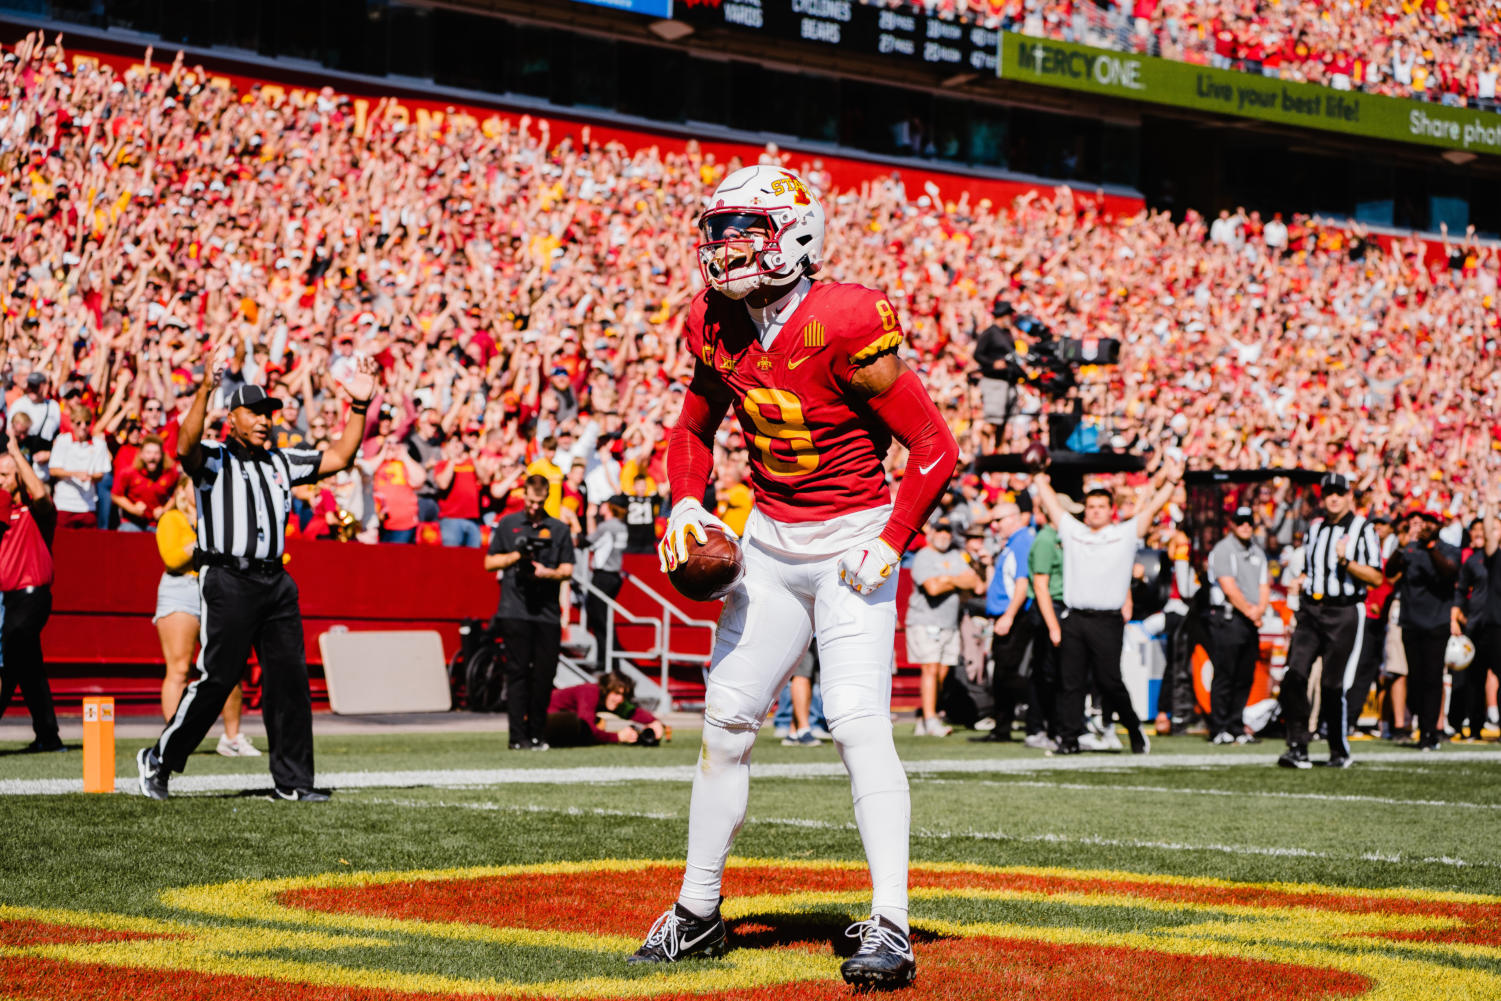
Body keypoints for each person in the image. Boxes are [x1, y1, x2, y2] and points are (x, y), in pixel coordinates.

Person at [634, 165, 958, 989]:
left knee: (856, 723)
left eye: (744, 228)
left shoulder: (846, 317)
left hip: (851, 541)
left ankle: (889, 922)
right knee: (726, 722)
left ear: (796, 235)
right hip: (771, 543)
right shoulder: (710, 319)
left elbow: (932, 445)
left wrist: (891, 536)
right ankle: (697, 910)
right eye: (717, 229)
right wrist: (681, 502)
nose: (724, 246)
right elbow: (691, 426)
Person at [136, 349, 378, 801]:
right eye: (255, 412)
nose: (266, 420)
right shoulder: (213, 460)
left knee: (290, 683)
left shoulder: (282, 463)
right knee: (217, 679)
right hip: (227, 579)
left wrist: (359, 407)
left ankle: (293, 782)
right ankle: (159, 759)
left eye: (270, 413)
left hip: (276, 583)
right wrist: (206, 389)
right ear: (232, 418)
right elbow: (183, 447)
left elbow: (342, 456)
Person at [1033, 459, 1183, 756]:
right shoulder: (1073, 532)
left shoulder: (1123, 534)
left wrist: (1171, 483)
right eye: (1091, 507)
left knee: (1109, 681)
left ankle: (1133, 727)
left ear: (1110, 510)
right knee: (1071, 682)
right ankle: (1069, 738)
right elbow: (1051, 504)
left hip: (1107, 619)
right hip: (1075, 617)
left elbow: (1151, 510)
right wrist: (1038, 476)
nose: (1095, 511)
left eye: (1101, 506)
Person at [1276, 473, 1383, 769]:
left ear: (1349, 495)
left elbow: (1375, 576)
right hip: (1311, 611)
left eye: (1339, 492)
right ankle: (1298, 745)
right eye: (1328, 493)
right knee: (1294, 674)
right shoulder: (1315, 529)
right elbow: (1313, 569)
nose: (1333, 498)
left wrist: (1346, 562)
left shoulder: (1362, 529)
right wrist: (1301, 581)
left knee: (1332, 684)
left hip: (1343, 612)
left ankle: (1338, 748)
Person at [153, 474, 257, 757]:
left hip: (219, 587)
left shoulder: (221, 518)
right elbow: (173, 558)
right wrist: (207, 534)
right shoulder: (172, 519)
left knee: (229, 666)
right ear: (182, 491)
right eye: (197, 485)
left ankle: (232, 737)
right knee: (179, 669)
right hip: (182, 588)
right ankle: (173, 740)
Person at [484, 474, 575, 751]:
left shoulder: (558, 528)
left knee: (545, 674)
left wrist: (548, 573)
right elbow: (489, 562)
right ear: (523, 495)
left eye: (540, 501)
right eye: (531, 501)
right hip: (514, 609)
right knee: (518, 672)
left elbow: (568, 569)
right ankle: (517, 737)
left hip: (546, 612)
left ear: (546, 498)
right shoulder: (509, 524)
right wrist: (517, 556)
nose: (535, 506)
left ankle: (538, 733)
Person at [0, 434, 62, 752]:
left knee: (11, 652)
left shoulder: (35, 511)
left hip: (32, 595)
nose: (0, 480)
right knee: (29, 667)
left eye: (4, 475)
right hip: (8, 600)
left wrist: (15, 453)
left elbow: (39, 492)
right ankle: (48, 735)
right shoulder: (1, 510)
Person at [1384, 508, 1460, 751]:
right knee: (1415, 678)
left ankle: (1430, 732)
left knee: (1432, 678)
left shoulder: (1447, 549)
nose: (1424, 527)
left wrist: (1430, 548)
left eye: (1429, 522)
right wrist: (1401, 545)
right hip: (1411, 621)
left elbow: (1449, 572)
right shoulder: (1410, 549)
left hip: (1436, 623)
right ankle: (1421, 726)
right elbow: (1390, 572)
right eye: (1420, 523)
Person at [906, 520, 982, 737]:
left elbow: (975, 582)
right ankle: (931, 718)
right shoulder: (924, 556)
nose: (944, 535)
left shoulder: (954, 556)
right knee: (930, 669)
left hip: (949, 623)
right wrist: (957, 580)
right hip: (926, 620)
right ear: (931, 533)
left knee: (942, 672)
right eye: (940, 530)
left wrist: (947, 579)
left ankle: (924, 715)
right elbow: (932, 588)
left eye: (948, 532)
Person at [1205, 506, 1270, 744]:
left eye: (1248, 522)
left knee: (1244, 675)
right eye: (1240, 522)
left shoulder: (1257, 552)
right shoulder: (1224, 550)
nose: (1245, 526)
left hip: (1250, 620)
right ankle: (1219, 727)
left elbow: (1264, 585)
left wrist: (1259, 610)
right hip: (1229, 617)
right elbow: (1229, 587)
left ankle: (1235, 725)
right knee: (1225, 673)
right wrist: (1252, 611)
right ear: (1232, 524)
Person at [979, 502, 1036, 742]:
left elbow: (1022, 583)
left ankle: (1032, 713)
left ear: (1014, 518)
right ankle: (1002, 726)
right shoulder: (1011, 544)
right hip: (1007, 614)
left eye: (999, 520)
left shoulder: (1021, 541)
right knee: (1002, 674)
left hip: (1013, 615)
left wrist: (1009, 616)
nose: (994, 526)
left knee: (1007, 673)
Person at [1025, 501, 1065, 750]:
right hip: (1048, 609)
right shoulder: (1046, 540)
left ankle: (1052, 725)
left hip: (1058, 607)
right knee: (1045, 672)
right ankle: (1038, 727)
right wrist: (1053, 624)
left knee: (1055, 672)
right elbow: (1041, 585)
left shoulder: (1059, 538)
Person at [545, 672, 664, 746]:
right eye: (616, 693)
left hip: (558, 721)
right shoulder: (589, 692)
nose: (620, 699)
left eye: (623, 696)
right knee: (584, 724)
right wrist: (618, 737)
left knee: (595, 723)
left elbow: (632, 712)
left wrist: (655, 722)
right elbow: (589, 728)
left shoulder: (609, 698)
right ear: (606, 689)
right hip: (545, 718)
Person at [47, 402, 111, 530]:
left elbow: (101, 474)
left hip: (88, 505)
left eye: (87, 423)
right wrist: (75, 473)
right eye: (79, 423)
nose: (83, 427)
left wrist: (90, 476)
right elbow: (53, 470)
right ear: (72, 423)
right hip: (64, 503)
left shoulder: (99, 445)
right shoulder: (62, 441)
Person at [585, 495, 629, 673]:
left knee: (600, 620)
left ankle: (608, 661)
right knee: (603, 618)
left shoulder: (606, 526)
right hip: (614, 576)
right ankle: (610, 658)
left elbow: (587, 542)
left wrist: (588, 517)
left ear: (610, 507)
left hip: (602, 576)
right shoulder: (622, 527)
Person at [111, 436, 176, 531]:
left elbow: (178, 494)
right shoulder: (129, 473)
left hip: (157, 524)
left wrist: (164, 509)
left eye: (156, 453)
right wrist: (133, 509)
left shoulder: (170, 474)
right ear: (141, 454)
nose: (152, 457)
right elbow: (116, 495)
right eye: (148, 452)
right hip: (132, 523)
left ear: (162, 455)